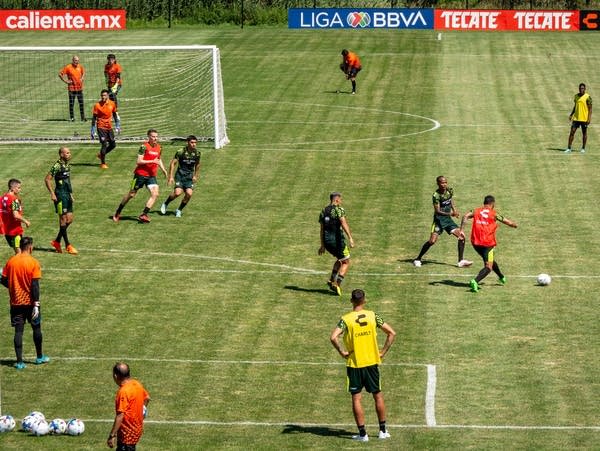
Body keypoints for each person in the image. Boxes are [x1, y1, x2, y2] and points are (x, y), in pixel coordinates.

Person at [330, 289, 395, 442]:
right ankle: (382, 431)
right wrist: (383, 352)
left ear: (351, 301)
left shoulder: (346, 319)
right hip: (372, 362)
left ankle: (362, 434)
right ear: (364, 300)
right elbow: (392, 333)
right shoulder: (373, 316)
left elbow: (333, 337)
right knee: (377, 395)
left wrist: (342, 352)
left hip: (355, 364)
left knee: (356, 398)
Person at [1, 237, 49, 370]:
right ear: (30, 247)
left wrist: (13, 287)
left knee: (18, 331)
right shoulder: (33, 262)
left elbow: (3, 279)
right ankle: (39, 357)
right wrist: (36, 304)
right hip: (30, 303)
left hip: (16, 302)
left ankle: (20, 362)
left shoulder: (11, 261)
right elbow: (34, 286)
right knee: (36, 328)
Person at [460, 195, 518, 293]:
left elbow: (465, 216)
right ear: (493, 204)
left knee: (490, 260)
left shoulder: (476, 211)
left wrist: (461, 230)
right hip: (487, 243)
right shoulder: (494, 213)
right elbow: (506, 221)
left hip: (475, 242)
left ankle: (501, 277)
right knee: (488, 267)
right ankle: (475, 281)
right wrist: (514, 225)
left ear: (484, 203)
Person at [413, 176, 472, 268]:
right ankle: (418, 259)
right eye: (442, 183)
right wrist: (450, 213)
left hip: (448, 221)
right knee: (432, 241)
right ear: (438, 183)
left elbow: (450, 199)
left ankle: (460, 261)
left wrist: (454, 210)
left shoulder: (449, 190)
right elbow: (437, 211)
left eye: (445, 182)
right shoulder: (436, 195)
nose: (444, 184)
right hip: (439, 221)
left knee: (461, 236)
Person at [113, 129, 167, 224]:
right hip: (140, 175)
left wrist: (163, 169)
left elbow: (158, 159)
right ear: (148, 137)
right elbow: (139, 161)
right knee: (131, 195)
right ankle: (118, 212)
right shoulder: (144, 147)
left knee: (155, 194)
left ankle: (144, 214)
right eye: (153, 136)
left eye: (156, 136)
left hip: (151, 175)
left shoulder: (159, 147)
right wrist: (152, 161)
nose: (155, 138)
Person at [107, 362, 150, 450]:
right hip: (137, 430)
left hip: (127, 435)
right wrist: (141, 412)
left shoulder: (123, 392)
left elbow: (120, 415)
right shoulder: (136, 384)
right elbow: (147, 398)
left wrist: (112, 435)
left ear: (115, 376)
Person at [319, 192, 354, 296]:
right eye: (341, 199)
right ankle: (337, 284)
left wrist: (322, 245)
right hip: (337, 241)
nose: (341, 202)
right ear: (337, 200)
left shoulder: (323, 211)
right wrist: (350, 238)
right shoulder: (338, 210)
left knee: (339, 259)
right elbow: (343, 223)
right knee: (346, 262)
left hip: (327, 241)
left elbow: (322, 229)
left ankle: (331, 280)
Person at [45, 147, 77, 255]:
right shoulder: (57, 166)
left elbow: (67, 180)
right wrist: (52, 193)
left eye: (69, 152)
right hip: (59, 196)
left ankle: (57, 241)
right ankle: (68, 245)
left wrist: (71, 194)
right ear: (61, 154)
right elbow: (47, 179)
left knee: (70, 219)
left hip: (67, 195)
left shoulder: (67, 165)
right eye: (67, 153)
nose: (69, 154)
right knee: (63, 219)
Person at [160, 135, 201, 218]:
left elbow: (197, 165)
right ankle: (165, 203)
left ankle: (179, 210)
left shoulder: (197, 153)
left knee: (189, 194)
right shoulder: (180, 152)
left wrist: (195, 175)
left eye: (195, 143)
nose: (194, 144)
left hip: (189, 176)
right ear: (188, 142)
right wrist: (171, 176)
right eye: (192, 142)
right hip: (180, 175)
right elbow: (173, 163)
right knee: (177, 193)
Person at [91, 89, 120, 169]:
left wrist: (117, 125)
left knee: (113, 145)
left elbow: (114, 114)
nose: (103, 97)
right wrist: (92, 130)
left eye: (104, 95)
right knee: (104, 144)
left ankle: (101, 155)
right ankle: (103, 163)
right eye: (102, 95)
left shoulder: (112, 104)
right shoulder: (97, 105)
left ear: (107, 96)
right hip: (101, 127)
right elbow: (94, 118)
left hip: (109, 127)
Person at [0, 179, 30, 254]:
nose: (20, 189)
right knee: (19, 254)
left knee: (17, 252)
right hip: (15, 230)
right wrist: (26, 221)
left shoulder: (2, 198)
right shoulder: (14, 200)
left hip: (7, 230)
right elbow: (16, 215)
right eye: (18, 187)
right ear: (13, 188)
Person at [565, 83, 592, 153]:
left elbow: (590, 109)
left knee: (584, 133)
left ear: (585, 89)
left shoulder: (588, 97)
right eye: (580, 88)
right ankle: (569, 148)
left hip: (584, 119)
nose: (581, 89)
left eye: (582, 88)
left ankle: (583, 148)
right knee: (572, 132)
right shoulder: (576, 96)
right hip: (576, 118)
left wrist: (589, 119)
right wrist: (571, 114)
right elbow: (575, 106)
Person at [58, 55, 86, 122]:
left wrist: (82, 78)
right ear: (73, 60)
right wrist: (66, 81)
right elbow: (60, 74)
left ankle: (83, 117)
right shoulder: (68, 67)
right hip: (71, 89)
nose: (77, 62)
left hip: (79, 88)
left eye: (78, 60)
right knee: (71, 104)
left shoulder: (80, 66)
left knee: (81, 103)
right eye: (76, 60)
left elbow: (83, 72)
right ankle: (72, 118)